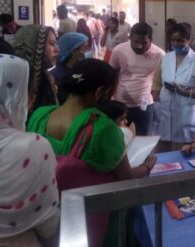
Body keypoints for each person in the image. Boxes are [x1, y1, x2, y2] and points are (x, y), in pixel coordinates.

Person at [27, 59, 157, 246]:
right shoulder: (102, 128)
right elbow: (126, 178)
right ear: (99, 92)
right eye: (111, 93)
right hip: (94, 219)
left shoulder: (39, 115)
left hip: (47, 213)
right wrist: (146, 166)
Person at [0, 54, 59, 246]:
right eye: (30, 93)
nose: (32, 100)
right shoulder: (33, 148)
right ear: (15, 95)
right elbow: (49, 226)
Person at [152, 23, 195, 152]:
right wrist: (156, 99)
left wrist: (183, 92)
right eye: (173, 40)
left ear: (189, 40)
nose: (176, 43)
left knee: (184, 151)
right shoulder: (165, 58)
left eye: (180, 40)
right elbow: (156, 82)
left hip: (187, 114)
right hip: (165, 112)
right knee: (164, 149)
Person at [109, 22, 164, 135]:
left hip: (146, 104)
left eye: (144, 43)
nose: (139, 46)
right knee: (120, 137)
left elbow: (162, 80)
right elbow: (111, 75)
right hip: (120, 103)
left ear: (151, 39)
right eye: (136, 42)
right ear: (130, 37)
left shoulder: (160, 55)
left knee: (144, 140)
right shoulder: (118, 50)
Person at [14, 25, 60, 115]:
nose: (57, 50)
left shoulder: (47, 76)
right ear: (33, 45)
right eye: (51, 44)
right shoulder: (20, 80)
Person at [50, 32, 90, 104]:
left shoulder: (84, 70)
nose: (88, 51)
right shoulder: (55, 75)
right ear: (74, 51)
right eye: (85, 48)